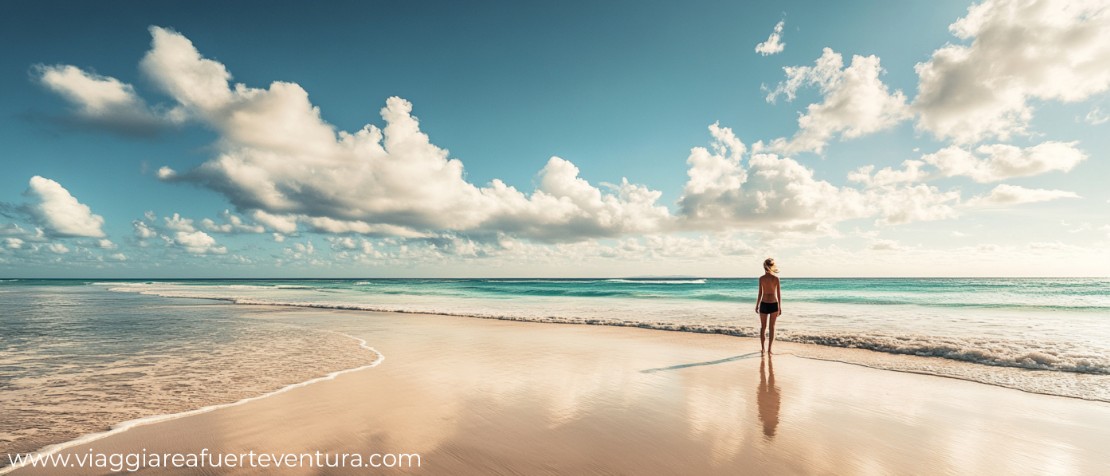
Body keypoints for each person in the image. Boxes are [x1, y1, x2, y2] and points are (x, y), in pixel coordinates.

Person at [755, 258, 781, 354]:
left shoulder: (762, 278)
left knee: (764, 327)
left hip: (765, 304)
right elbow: (778, 294)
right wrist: (780, 306)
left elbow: (760, 294)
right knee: (771, 327)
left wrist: (757, 304)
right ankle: (769, 349)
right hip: (773, 304)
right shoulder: (775, 279)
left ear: (764, 266)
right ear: (772, 266)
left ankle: (764, 349)